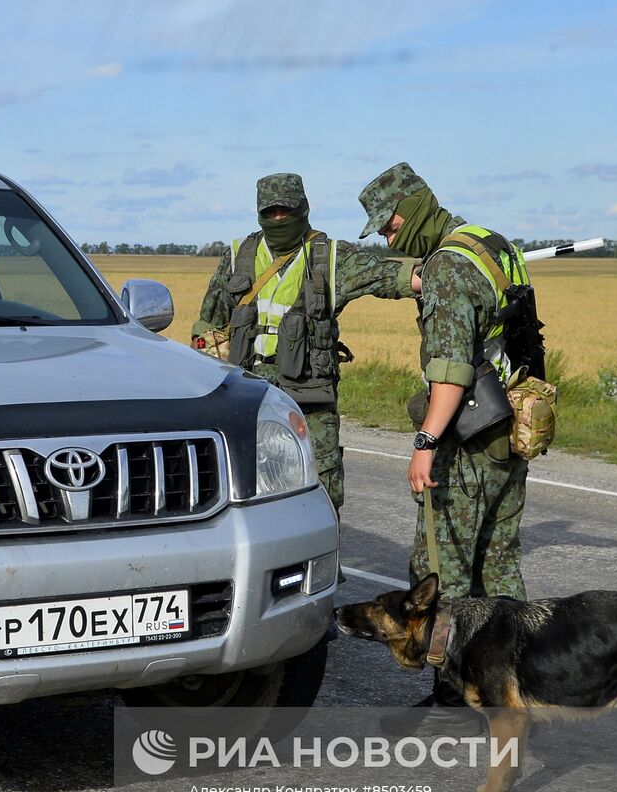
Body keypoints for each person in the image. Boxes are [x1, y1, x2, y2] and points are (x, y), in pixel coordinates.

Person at [357, 162, 529, 736]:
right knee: (499, 566)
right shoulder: (488, 243)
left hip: (469, 439)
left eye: (389, 226)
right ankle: (515, 685)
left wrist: (426, 443)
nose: (387, 238)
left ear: (414, 207)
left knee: (442, 569)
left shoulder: (449, 269)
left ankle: (454, 690)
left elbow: (451, 372)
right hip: (509, 435)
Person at [193, 173, 419, 511]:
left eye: (287, 211)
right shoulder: (238, 256)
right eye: (271, 213)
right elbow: (206, 330)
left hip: (310, 399)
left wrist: (439, 273)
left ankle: (323, 560)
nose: (279, 220)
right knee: (246, 490)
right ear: (260, 214)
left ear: (304, 209)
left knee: (321, 492)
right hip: (248, 396)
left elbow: (389, 276)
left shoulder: (329, 258)